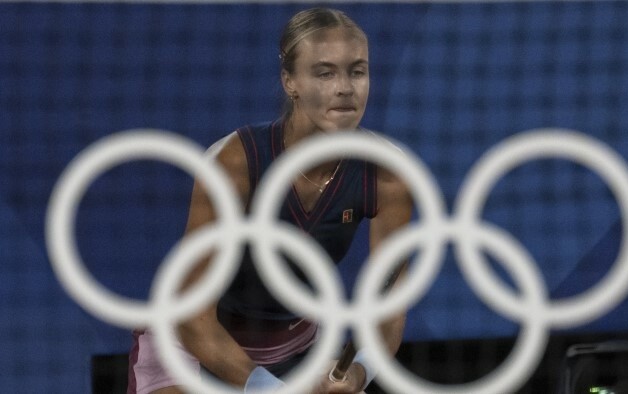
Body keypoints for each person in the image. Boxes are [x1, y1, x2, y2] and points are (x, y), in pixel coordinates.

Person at [127, 7, 413, 394]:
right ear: (290, 81)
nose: (345, 87)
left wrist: (358, 373)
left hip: (296, 348)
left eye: (357, 71)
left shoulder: (387, 173)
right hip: (193, 343)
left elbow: (390, 309)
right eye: (325, 72)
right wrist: (268, 389)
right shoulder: (234, 162)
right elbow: (193, 318)